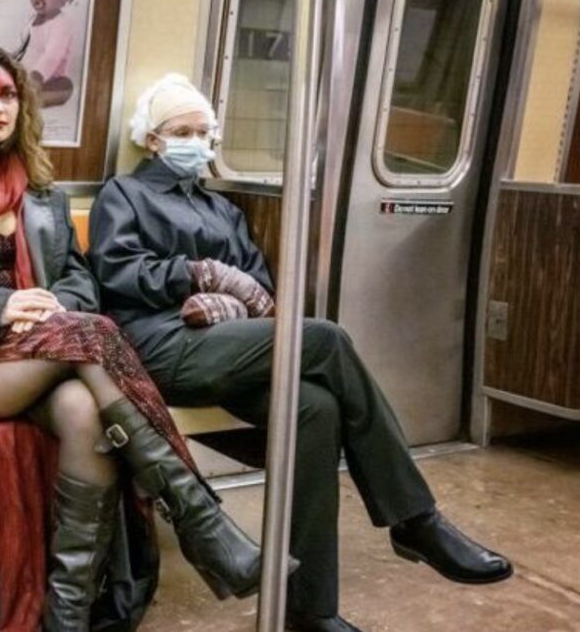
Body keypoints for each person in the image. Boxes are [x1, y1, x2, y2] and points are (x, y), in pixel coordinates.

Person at [87, 73, 514, 632]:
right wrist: (196, 274)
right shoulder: (125, 195)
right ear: (153, 140)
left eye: (203, 133)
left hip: (226, 345)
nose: (196, 142)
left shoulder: (223, 210)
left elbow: (258, 288)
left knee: (317, 408)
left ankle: (309, 609)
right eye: (182, 132)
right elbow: (117, 272)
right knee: (325, 338)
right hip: (159, 345)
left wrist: (229, 301)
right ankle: (415, 519)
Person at [0, 48, 274, 631]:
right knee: (96, 333)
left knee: (86, 415)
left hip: (51, 348)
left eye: (8, 95)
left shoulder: (43, 193)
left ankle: (65, 618)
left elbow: (78, 279)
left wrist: (51, 309)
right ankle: (200, 519)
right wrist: (0, 306)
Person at [24, 0, 87, 107]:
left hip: (48, 80)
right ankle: (22, 95)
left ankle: (33, 99)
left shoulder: (61, 24)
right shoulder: (31, 21)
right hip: (26, 78)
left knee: (66, 86)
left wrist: (37, 76)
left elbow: (52, 56)